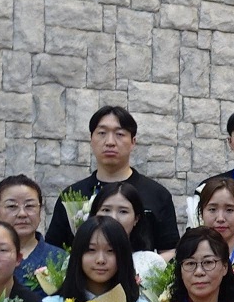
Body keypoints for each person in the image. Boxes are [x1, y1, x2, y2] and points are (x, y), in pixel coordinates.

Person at [45, 105, 180, 254]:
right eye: (102, 133)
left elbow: (170, 251)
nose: (110, 141)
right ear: (91, 139)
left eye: (119, 134)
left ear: (133, 142)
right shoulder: (71, 196)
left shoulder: (157, 194)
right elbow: (54, 251)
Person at [0, 175, 65, 293]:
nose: (22, 214)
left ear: (40, 211)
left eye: (30, 206)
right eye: (12, 206)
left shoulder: (60, 259)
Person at [92, 178, 170, 281]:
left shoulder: (152, 263)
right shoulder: (78, 259)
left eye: (123, 211)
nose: (113, 218)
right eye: (106, 210)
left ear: (136, 219)